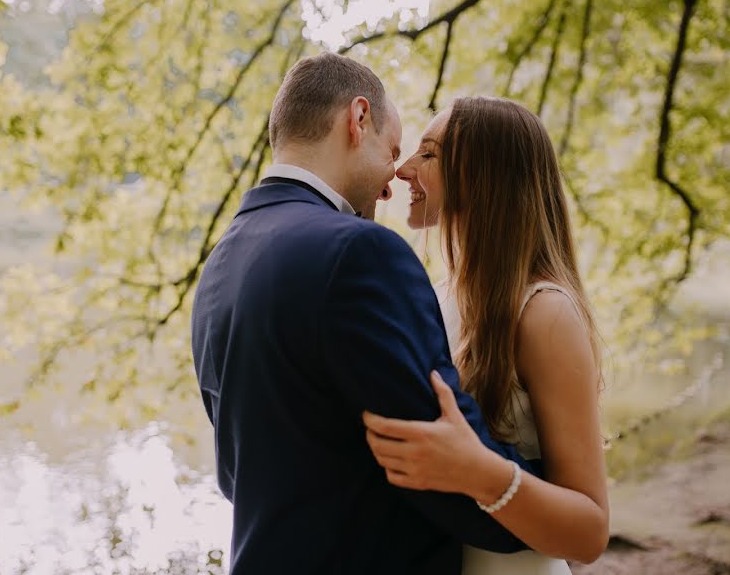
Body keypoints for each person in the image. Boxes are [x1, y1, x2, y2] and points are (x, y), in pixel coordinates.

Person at [191, 55, 542, 574]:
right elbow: (438, 458)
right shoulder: (361, 252)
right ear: (358, 119)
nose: (391, 183)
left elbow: (233, 474)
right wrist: (545, 497)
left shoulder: (222, 262)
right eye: (394, 152)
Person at [366, 97, 609, 573]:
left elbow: (589, 532)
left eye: (429, 155)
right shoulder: (434, 298)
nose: (403, 170)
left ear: (484, 177)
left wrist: (479, 471)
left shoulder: (543, 313)